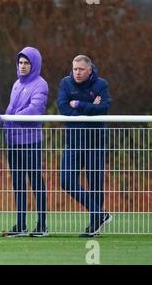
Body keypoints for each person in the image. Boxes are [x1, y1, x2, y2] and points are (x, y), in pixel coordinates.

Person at [57, 54, 112, 237]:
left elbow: (103, 107)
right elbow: (63, 108)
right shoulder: (65, 83)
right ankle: (100, 214)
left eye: (81, 69)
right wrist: (89, 109)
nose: (77, 73)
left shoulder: (101, 85)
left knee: (95, 183)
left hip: (95, 142)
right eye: (75, 69)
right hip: (73, 141)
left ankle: (94, 226)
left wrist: (79, 104)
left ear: (90, 70)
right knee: (66, 181)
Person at [3, 47, 49, 237]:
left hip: (30, 141)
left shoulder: (40, 84)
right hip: (13, 141)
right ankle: (20, 225)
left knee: (36, 181)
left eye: (26, 63)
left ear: (34, 64)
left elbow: (34, 110)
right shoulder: (16, 84)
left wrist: (9, 118)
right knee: (18, 183)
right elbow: (10, 108)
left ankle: (42, 225)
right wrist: (4, 119)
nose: (22, 66)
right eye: (20, 63)